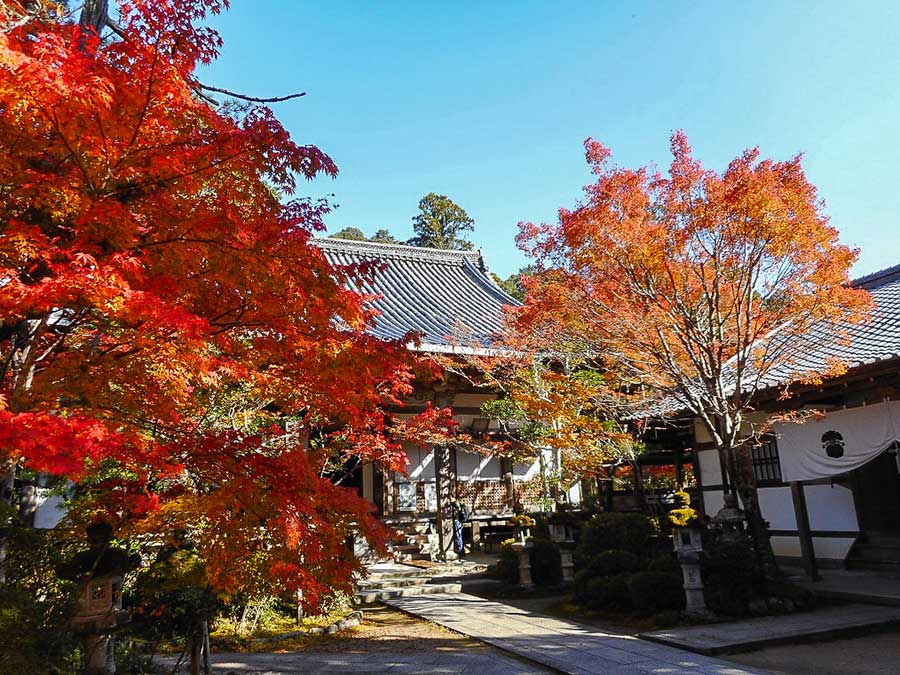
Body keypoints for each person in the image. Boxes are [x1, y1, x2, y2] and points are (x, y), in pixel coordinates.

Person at [449, 491, 469, 559]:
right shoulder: (457, 502)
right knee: (459, 536)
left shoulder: (455, 503)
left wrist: (454, 510)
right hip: (459, 521)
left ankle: (460, 551)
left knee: (458, 536)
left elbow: (458, 510)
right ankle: (461, 551)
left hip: (457, 521)